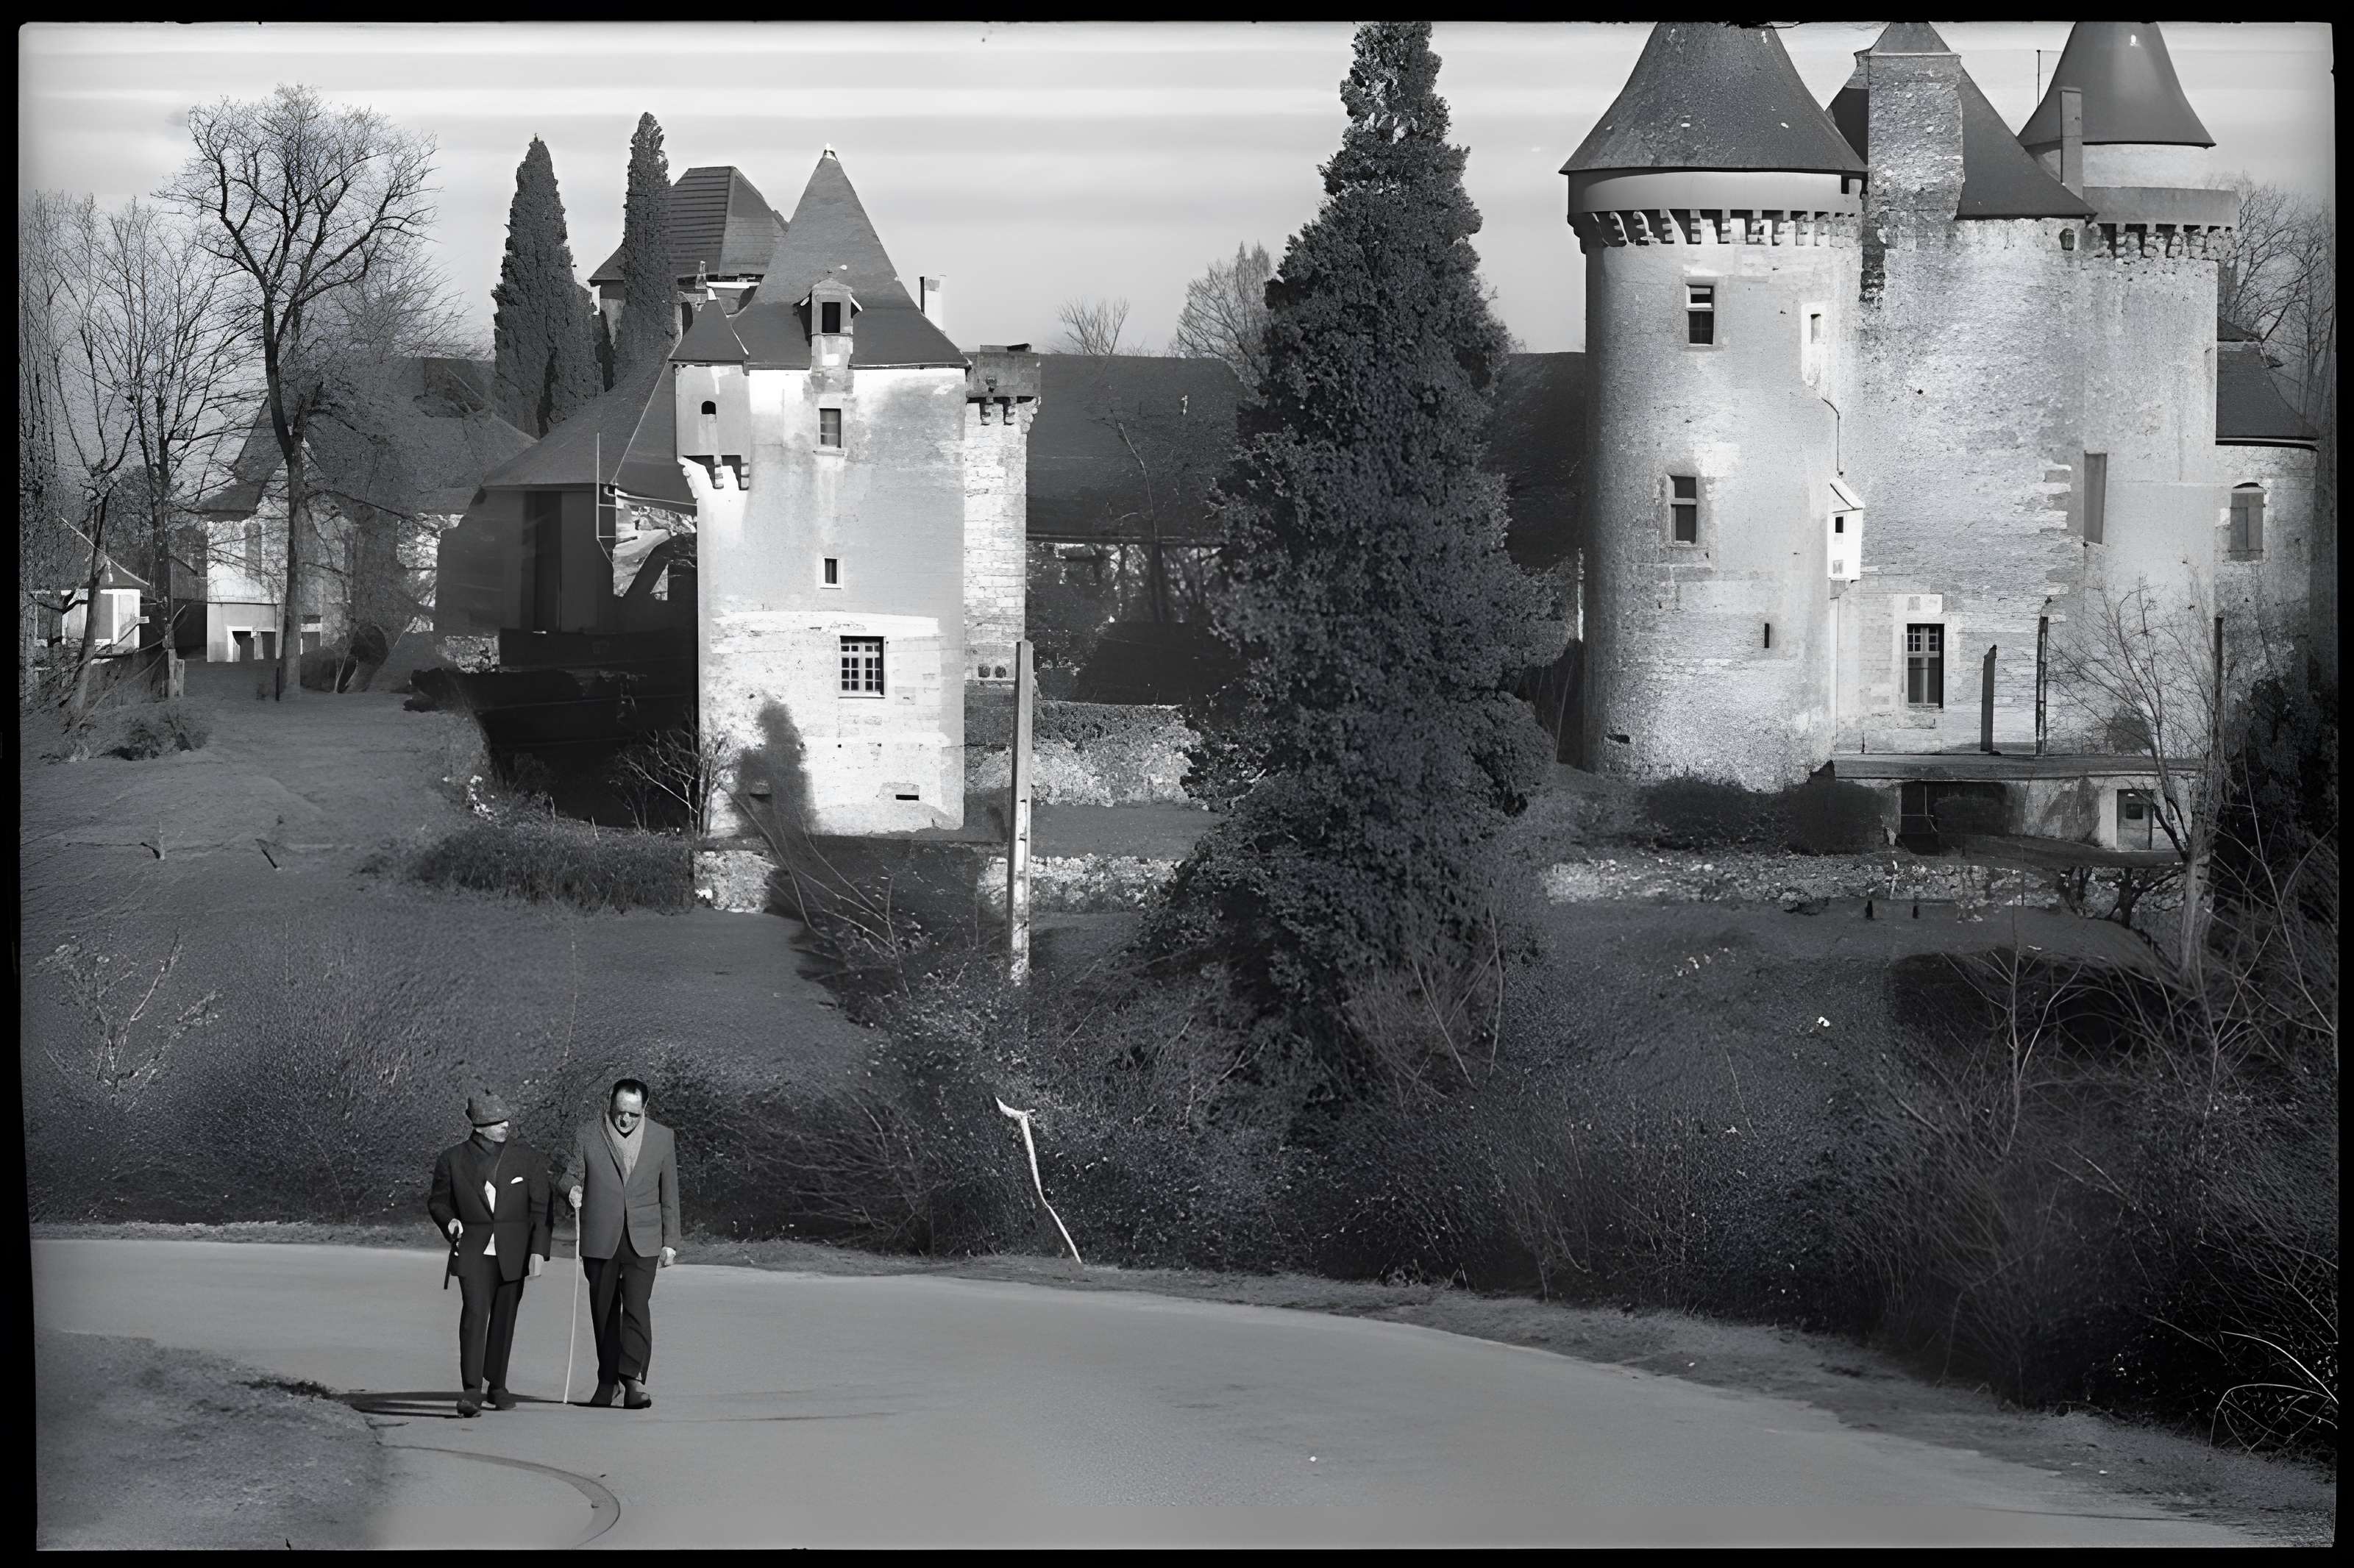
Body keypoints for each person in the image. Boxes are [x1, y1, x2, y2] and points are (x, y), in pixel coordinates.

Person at [427, 1091, 553, 1417]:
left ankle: (497, 1385)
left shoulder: (529, 1158)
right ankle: (471, 1391)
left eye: (507, 1119)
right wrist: (449, 1221)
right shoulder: (452, 1159)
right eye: (497, 1121)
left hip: (516, 1251)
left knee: (504, 1320)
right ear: (479, 1125)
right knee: (474, 1317)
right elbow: (438, 1201)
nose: (505, 1125)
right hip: (472, 1249)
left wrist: (539, 1251)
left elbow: (541, 1208)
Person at [559, 1078, 680, 1410]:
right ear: (609, 1105)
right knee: (604, 1312)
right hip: (601, 1238)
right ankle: (607, 1381)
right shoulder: (587, 1135)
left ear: (645, 1109)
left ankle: (634, 1381)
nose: (625, 1119)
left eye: (633, 1114)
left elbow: (669, 1193)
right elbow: (568, 1174)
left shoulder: (662, 1137)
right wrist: (571, 1189)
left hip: (645, 1239)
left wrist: (671, 1241)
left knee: (637, 1310)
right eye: (619, 1112)